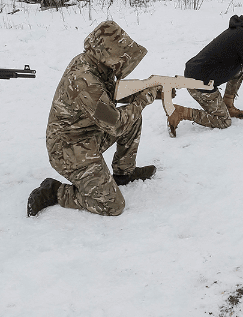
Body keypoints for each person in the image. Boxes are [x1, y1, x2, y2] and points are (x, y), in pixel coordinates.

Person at [27, 21, 160, 217]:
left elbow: (107, 95)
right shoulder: (84, 79)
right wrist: (143, 99)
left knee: (133, 118)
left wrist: (144, 90)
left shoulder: (93, 62)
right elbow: (115, 124)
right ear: (109, 53)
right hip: (67, 148)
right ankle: (55, 192)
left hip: (88, 133)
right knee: (112, 206)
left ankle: (124, 173)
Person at [167, 4, 243, 136]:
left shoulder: (242, 31)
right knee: (223, 121)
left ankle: (228, 104)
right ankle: (181, 112)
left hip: (197, 73)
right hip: (199, 82)